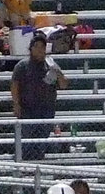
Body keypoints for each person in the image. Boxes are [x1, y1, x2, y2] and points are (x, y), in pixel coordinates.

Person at [11, 33, 68, 161]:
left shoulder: (51, 65)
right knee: (26, 141)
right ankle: (24, 165)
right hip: (27, 109)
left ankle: (38, 163)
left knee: (41, 141)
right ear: (31, 48)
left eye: (42, 46)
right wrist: (16, 104)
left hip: (46, 109)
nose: (39, 49)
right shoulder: (22, 66)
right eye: (36, 46)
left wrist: (57, 71)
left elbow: (64, 85)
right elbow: (14, 85)